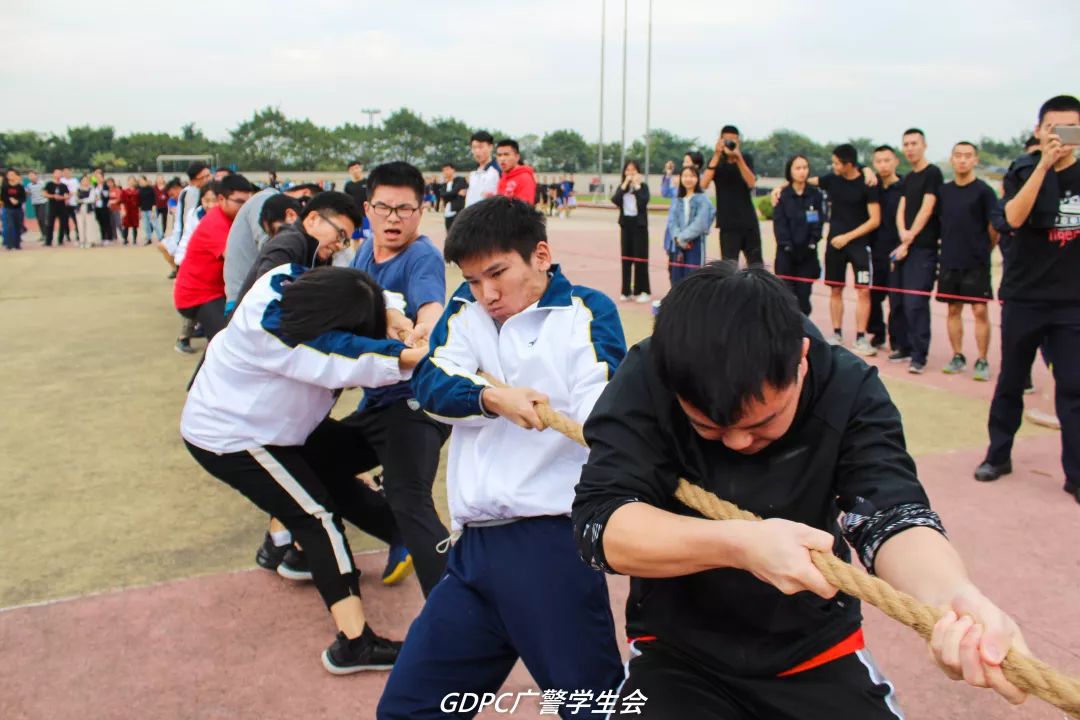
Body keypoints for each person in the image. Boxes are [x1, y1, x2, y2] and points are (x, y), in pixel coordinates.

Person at [573, 262, 1033, 719]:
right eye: (708, 428)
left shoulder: (848, 388)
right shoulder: (649, 375)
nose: (737, 442)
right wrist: (739, 544)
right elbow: (599, 525)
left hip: (813, 649)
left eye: (762, 424)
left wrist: (952, 597)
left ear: (802, 359)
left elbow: (890, 516)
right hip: (678, 654)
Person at [379, 196, 627, 719]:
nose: (487, 294)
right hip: (472, 553)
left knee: (592, 710)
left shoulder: (584, 312)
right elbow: (430, 382)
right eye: (472, 280)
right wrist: (493, 398)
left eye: (497, 274)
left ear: (540, 254)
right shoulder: (465, 314)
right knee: (410, 708)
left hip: (551, 546)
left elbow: (602, 409)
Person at [182, 264, 427, 673]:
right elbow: (348, 357)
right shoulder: (283, 340)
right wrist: (416, 355)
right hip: (235, 438)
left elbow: (339, 287)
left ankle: (310, 553)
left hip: (283, 426)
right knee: (317, 516)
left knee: (353, 451)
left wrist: (390, 311)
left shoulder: (283, 283)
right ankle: (354, 644)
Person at [347, 161, 453, 597]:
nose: (393, 218)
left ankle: (457, 614)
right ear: (368, 208)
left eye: (404, 209)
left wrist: (425, 326)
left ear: (421, 211)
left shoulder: (421, 255)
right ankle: (394, 534)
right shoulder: (363, 253)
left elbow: (430, 303)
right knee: (313, 461)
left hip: (415, 403)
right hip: (376, 401)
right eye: (384, 208)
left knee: (410, 498)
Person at [975, 94, 1080, 506]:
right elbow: (1013, 218)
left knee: (1073, 388)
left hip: (1071, 302)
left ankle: (1075, 475)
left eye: (1071, 128)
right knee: (1011, 383)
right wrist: (1044, 165)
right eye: (1054, 128)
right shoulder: (1022, 170)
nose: (1062, 137)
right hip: (1024, 297)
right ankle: (997, 456)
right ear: (1039, 131)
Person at [936, 142, 999, 381]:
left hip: (977, 262)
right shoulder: (944, 191)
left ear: (975, 160)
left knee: (980, 310)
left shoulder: (984, 191)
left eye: (968, 156)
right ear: (952, 159)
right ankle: (957, 356)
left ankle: (982, 360)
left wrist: (984, 249)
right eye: (958, 156)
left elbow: (994, 228)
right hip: (950, 260)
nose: (962, 160)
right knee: (953, 309)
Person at [174, 175, 254, 343]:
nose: (246, 207)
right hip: (199, 295)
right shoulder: (216, 223)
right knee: (227, 342)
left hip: (217, 292)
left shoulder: (235, 219)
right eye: (240, 202)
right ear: (221, 199)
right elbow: (238, 260)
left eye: (249, 202)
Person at [236, 191, 357, 303]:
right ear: (313, 219)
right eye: (340, 234)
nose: (340, 245)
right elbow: (267, 299)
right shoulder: (289, 243)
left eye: (346, 241)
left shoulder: (319, 253)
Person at [819, 144, 881, 354]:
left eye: (837, 163)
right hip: (834, 244)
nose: (834, 166)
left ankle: (861, 337)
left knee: (863, 291)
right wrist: (780, 188)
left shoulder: (868, 182)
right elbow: (802, 180)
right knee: (836, 289)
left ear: (849, 164)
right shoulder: (831, 179)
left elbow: (875, 220)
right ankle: (836, 333)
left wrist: (848, 237)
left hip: (859, 245)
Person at [892, 129, 944, 374]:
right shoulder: (909, 177)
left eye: (914, 143)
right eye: (906, 144)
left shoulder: (932, 173)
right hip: (904, 246)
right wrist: (902, 232)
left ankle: (919, 355)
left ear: (924, 145)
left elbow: (927, 207)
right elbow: (902, 207)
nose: (910, 148)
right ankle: (904, 346)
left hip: (922, 249)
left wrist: (909, 238)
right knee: (900, 302)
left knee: (916, 303)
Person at [222, 182, 321, 312]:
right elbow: (271, 246)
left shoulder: (270, 201)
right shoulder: (265, 201)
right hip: (245, 301)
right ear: (306, 194)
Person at [701, 125, 761, 266]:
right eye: (726, 140)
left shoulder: (745, 158)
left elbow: (751, 183)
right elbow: (703, 184)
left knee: (756, 264)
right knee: (728, 266)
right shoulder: (716, 160)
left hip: (748, 220)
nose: (730, 143)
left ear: (739, 141)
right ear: (720, 140)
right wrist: (716, 155)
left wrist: (738, 158)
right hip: (727, 222)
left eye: (734, 140)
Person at [773, 155, 824, 315]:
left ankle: (804, 332)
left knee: (803, 296)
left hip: (807, 253)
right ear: (790, 171)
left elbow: (818, 220)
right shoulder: (783, 194)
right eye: (798, 168)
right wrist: (786, 244)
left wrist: (813, 240)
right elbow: (779, 223)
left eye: (805, 167)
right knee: (786, 296)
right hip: (786, 253)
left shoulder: (814, 194)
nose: (802, 171)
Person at [869, 146, 906, 354]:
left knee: (896, 299)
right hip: (874, 250)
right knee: (873, 296)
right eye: (879, 161)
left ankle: (897, 339)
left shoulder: (904, 187)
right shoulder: (871, 185)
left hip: (897, 251)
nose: (883, 165)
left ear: (895, 162)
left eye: (887, 160)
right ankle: (877, 332)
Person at [665, 166, 715, 287]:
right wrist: (678, 238)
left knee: (694, 278)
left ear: (698, 178)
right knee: (677, 279)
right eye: (685, 176)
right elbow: (672, 221)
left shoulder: (703, 199)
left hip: (695, 244)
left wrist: (683, 238)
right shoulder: (677, 199)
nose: (688, 179)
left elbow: (701, 223)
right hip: (678, 245)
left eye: (692, 176)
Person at [612, 160, 652, 303]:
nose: (630, 173)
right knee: (626, 259)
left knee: (640, 259)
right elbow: (615, 200)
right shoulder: (622, 188)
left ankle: (643, 290)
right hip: (626, 225)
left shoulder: (643, 187)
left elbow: (643, 202)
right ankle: (626, 291)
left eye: (633, 170)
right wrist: (624, 185)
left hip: (639, 225)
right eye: (628, 170)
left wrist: (636, 186)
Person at [165, 162, 213, 268]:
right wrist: (179, 244)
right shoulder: (189, 194)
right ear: (194, 181)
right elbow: (182, 221)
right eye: (205, 176)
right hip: (190, 240)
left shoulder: (211, 190)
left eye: (209, 175)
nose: (210, 178)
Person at [495, 139, 537, 205]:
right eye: (499, 155)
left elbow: (525, 209)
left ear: (517, 157)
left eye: (506, 155)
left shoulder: (525, 178)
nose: (502, 159)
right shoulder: (502, 178)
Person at [465, 131, 500, 207]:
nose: (477, 151)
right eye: (474, 147)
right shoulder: (473, 173)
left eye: (481, 147)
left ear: (490, 147)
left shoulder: (498, 170)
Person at [43, 169, 71, 246]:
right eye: (57, 173)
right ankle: (48, 241)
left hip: (62, 207)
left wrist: (62, 197)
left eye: (60, 173)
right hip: (52, 206)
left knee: (63, 224)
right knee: (50, 224)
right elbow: (44, 194)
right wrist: (53, 196)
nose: (58, 175)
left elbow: (67, 195)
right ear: (53, 174)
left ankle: (60, 240)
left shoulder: (63, 185)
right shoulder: (49, 184)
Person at [438, 162, 467, 232]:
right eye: (444, 170)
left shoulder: (460, 180)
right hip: (447, 213)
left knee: (459, 235)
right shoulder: (443, 185)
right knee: (449, 235)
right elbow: (442, 195)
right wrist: (456, 193)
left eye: (447, 169)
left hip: (458, 212)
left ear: (453, 170)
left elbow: (452, 192)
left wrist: (450, 194)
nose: (446, 172)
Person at [2, 169, 27, 250]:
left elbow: (23, 198)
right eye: (9, 174)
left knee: (17, 226)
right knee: (9, 226)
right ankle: (9, 244)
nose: (11, 176)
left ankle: (17, 244)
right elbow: (3, 197)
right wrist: (10, 199)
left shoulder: (20, 187)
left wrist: (18, 201)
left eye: (13, 174)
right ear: (7, 176)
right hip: (8, 209)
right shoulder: (5, 186)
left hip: (18, 209)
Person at [138, 176, 161, 245]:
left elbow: (154, 200)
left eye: (142, 181)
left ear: (145, 180)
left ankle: (160, 237)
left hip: (151, 209)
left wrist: (153, 210)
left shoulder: (151, 189)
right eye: (140, 181)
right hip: (144, 209)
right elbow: (139, 201)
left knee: (155, 223)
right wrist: (139, 211)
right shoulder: (140, 190)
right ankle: (149, 238)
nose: (141, 182)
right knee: (146, 225)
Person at [119, 176, 141, 245]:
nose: (131, 182)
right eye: (130, 180)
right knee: (126, 225)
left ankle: (135, 239)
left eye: (133, 181)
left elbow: (139, 203)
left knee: (135, 225)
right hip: (127, 209)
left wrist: (140, 212)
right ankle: (125, 239)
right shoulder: (124, 191)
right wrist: (122, 210)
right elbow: (122, 201)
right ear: (127, 182)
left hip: (135, 210)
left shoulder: (137, 191)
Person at [61, 168, 80, 244]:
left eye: (68, 172)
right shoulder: (62, 181)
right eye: (64, 172)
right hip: (64, 203)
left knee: (76, 220)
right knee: (65, 221)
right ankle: (67, 235)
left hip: (73, 203)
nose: (66, 174)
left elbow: (76, 191)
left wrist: (69, 195)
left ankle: (78, 234)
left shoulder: (75, 181)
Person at [27, 171, 48, 241]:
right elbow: (28, 193)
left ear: (36, 176)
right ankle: (43, 234)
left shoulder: (42, 183)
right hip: (35, 203)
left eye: (32, 175)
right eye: (30, 176)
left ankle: (46, 234)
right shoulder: (29, 185)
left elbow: (46, 192)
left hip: (42, 202)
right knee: (39, 219)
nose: (31, 177)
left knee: (42, 218)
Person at [107, 178, 124, 245]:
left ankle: (123, 236)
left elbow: (119, 198)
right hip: (109, 209)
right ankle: (114, 237)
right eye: (108, 183)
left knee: (118, 223)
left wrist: (113, 201)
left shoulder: (116, 190)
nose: (109, 184)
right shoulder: (107, 190)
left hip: (116, 208)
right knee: (112, 224)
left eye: (111, 182)